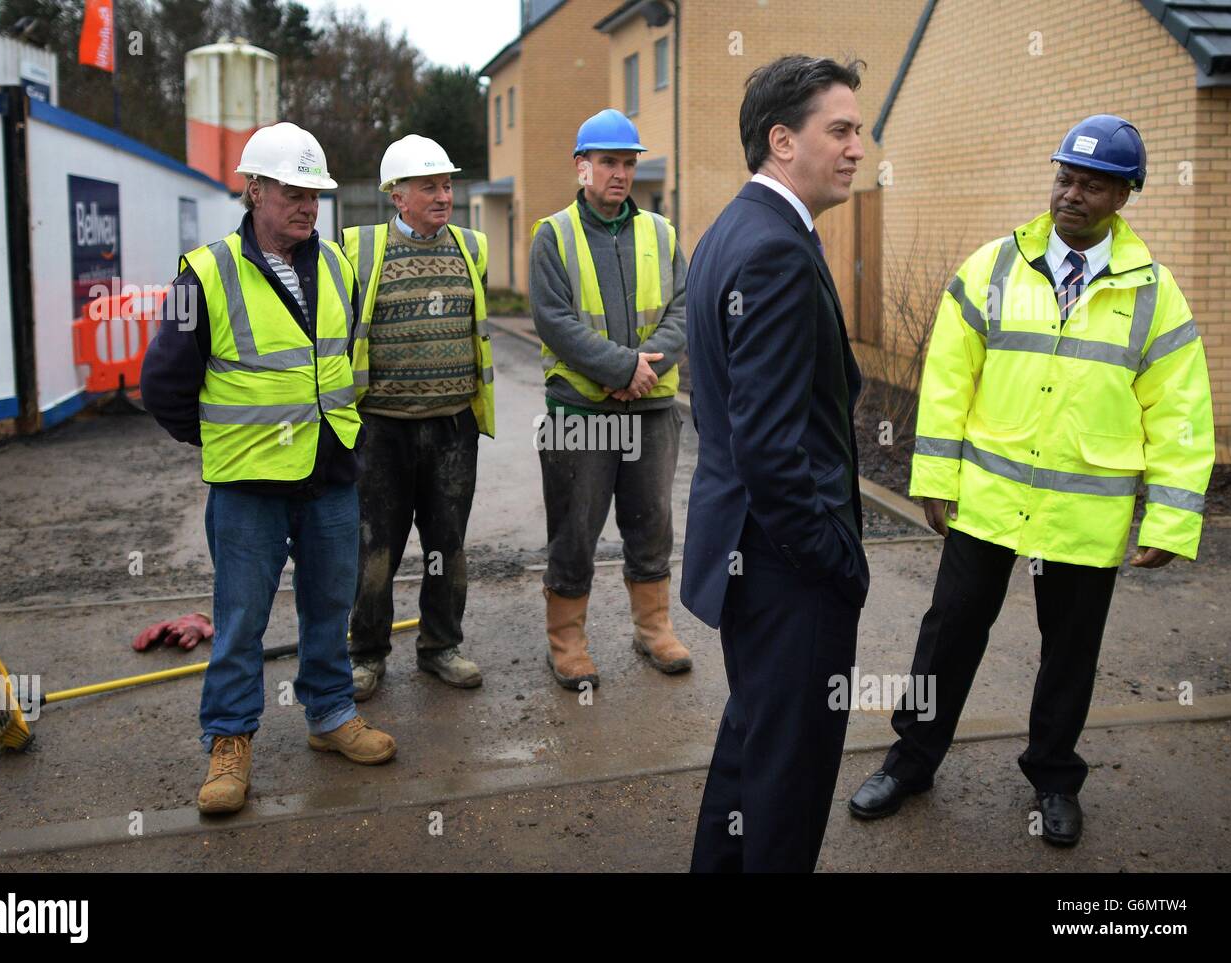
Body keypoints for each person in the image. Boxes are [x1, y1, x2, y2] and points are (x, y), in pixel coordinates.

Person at [848, 114, 1215, 846]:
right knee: (948, 634)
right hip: (989, 501)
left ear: (1124, 195)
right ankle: (910, 760)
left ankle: (1053, 777)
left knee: (1070, 651)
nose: (1071, 194)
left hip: (1085, 515)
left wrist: (1171, 522)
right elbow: (949, 383)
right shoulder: (993, 268)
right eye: (1065, 178)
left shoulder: (1155, 294)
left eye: (1092, 184)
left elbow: (1179, 413)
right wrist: (936, 475)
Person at [142, 122, 396, 816]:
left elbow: (344, 363)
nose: (307, 205)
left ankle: (330, 713)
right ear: (252, 189)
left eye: (315, 193)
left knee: (329, 604)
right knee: (241, 617)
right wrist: (226, 445)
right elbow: (162, 383)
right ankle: (229, 740)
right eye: (292, 191)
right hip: (249, 485)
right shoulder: (207, 271)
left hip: (330, 474)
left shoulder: (339, 266)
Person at [682, 56, 869, 872]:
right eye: (842, 129)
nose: (859, 146)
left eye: (858, 129)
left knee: (753, 747)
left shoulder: (733, 229)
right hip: (784, 567)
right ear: (782, 141)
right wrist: (832, 558)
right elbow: (767, 444)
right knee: (787, 786)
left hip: (747, 553)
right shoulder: (775, 250)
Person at [528, 108, 690, 690]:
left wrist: (644, 373)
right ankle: (566, 642)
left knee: (652, 523)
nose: (620, 173)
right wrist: (623, 367)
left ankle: (653, 629)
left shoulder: (661, 233)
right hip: (582, 410)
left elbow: (682, 312)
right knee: (575, 528)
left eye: (627, 162)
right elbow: (553, 320)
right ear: (582, 167)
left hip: (650, 411)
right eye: (608, 162)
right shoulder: (554, 235)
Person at [339, 135, 494, 699]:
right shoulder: (357, 249)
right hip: (380, 429)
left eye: (447, 184)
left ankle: (440, 645)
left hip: (453, 427)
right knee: (374, 547)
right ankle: (366, 653)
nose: (444, 195)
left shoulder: (472, 247)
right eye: (429, 186)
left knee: (446, 545)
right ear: (396, 196)